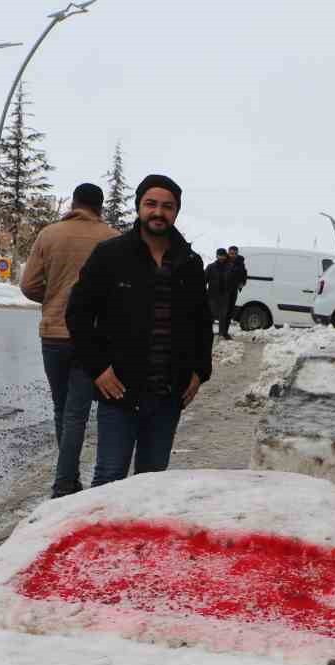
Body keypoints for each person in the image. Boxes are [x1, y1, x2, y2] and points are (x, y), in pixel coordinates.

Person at [66, 174, 213, 486]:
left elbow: (202, 321)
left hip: (168, 396)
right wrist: (98, 369)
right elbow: (77, 314)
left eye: (167, 206)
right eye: (151, 204)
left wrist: (199, 371)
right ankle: (103, 536)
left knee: (151, 485)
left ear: (176, 211)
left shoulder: (190, 262)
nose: (158, 212)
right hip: (119, 390)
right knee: (109, 479)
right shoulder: (110, 255)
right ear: (139, 207)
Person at [20, 182, 119, 497]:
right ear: (99, 208)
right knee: (77, 412)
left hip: (54, 334)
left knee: (61, 409)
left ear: (74, 203)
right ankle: (64, 483)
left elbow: (28, 285)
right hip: (89, 336)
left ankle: (68, 478)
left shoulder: (49, 234)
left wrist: (51, 299)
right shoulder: (113, 239)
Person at [205, 248, 235, 339]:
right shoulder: (210, 267)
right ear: (216, 256)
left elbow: (233, 280)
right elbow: (204, 279)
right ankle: (207, 332)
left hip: (225, 295)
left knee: (223, 315)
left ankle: (222, 333)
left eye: (223, 255)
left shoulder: (230, 267)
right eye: (219, 255)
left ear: (225, 256)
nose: (221, 257)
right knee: (211, 315)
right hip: (212, 295)